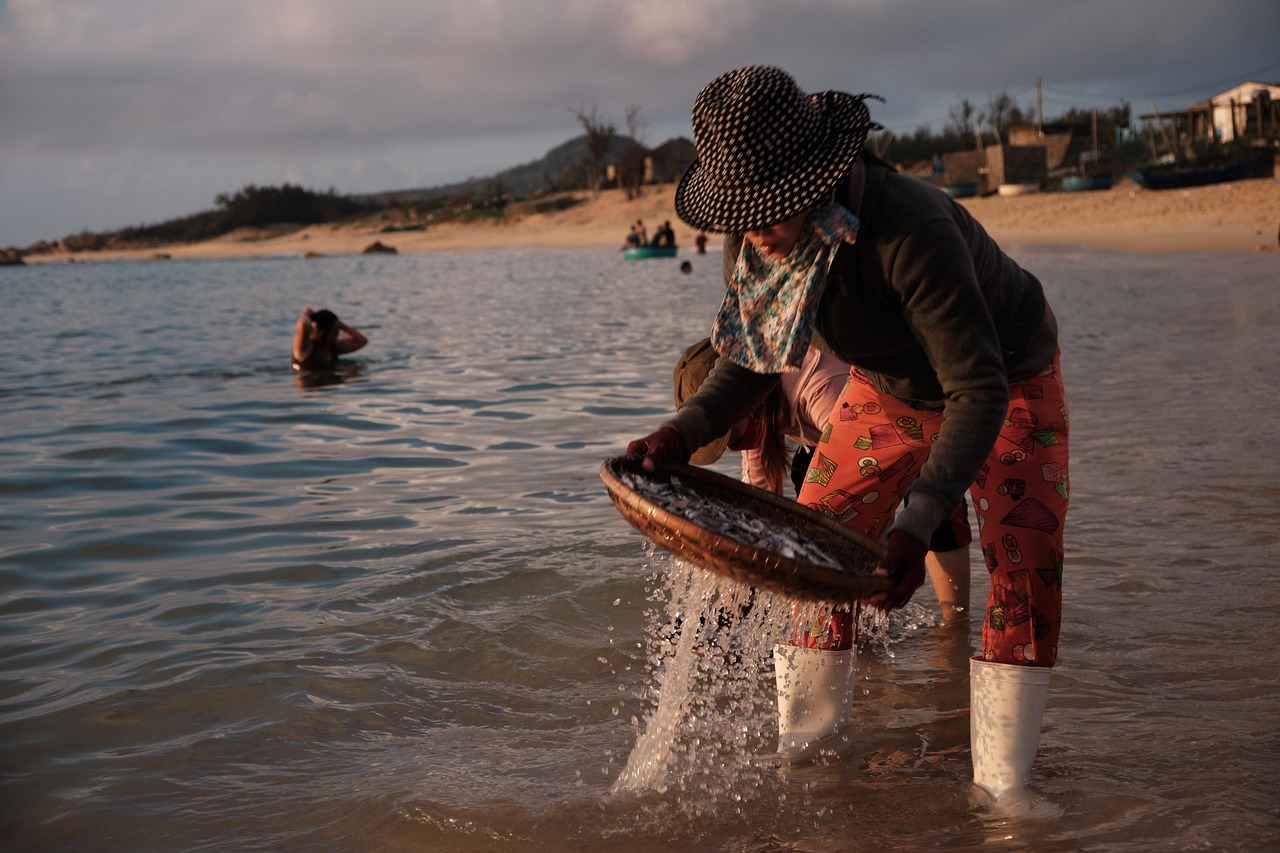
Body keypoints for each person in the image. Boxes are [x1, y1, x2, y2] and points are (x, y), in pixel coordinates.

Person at [625, 66, 1068, 796]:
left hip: (1009, 378)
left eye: (769, 208)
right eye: (743, 211)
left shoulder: (910, 232)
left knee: (1024, 566)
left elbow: (975, 388)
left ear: (815, 181)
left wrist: (918, 522)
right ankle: (810, 760)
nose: (754, 227)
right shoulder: (753, 236)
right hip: (886, 385)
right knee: (817, 537)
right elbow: (755, 360)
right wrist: (682, 431)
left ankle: (1003, 794)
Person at [292, 307, 368, 371]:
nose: (336, 336)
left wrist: (338, 323)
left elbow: (361, 341)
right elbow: (303, 324)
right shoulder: (304, 349)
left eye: (337, 332)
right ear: (321, 332)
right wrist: (307, 313)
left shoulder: (331, 348)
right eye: (334, 333)